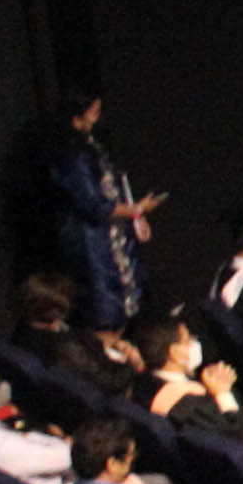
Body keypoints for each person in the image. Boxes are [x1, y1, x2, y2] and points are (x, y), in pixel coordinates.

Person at [48, 94, 162, 326]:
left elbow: (113, 190)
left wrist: (136, 214)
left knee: (131, 309)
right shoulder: (73, 155)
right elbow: (94, 206)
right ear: (77, 115)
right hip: (95, 246)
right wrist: (136, 209)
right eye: (93, 111)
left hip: (114, 239)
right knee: (107, 311)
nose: (97, 117)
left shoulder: (91, 146)